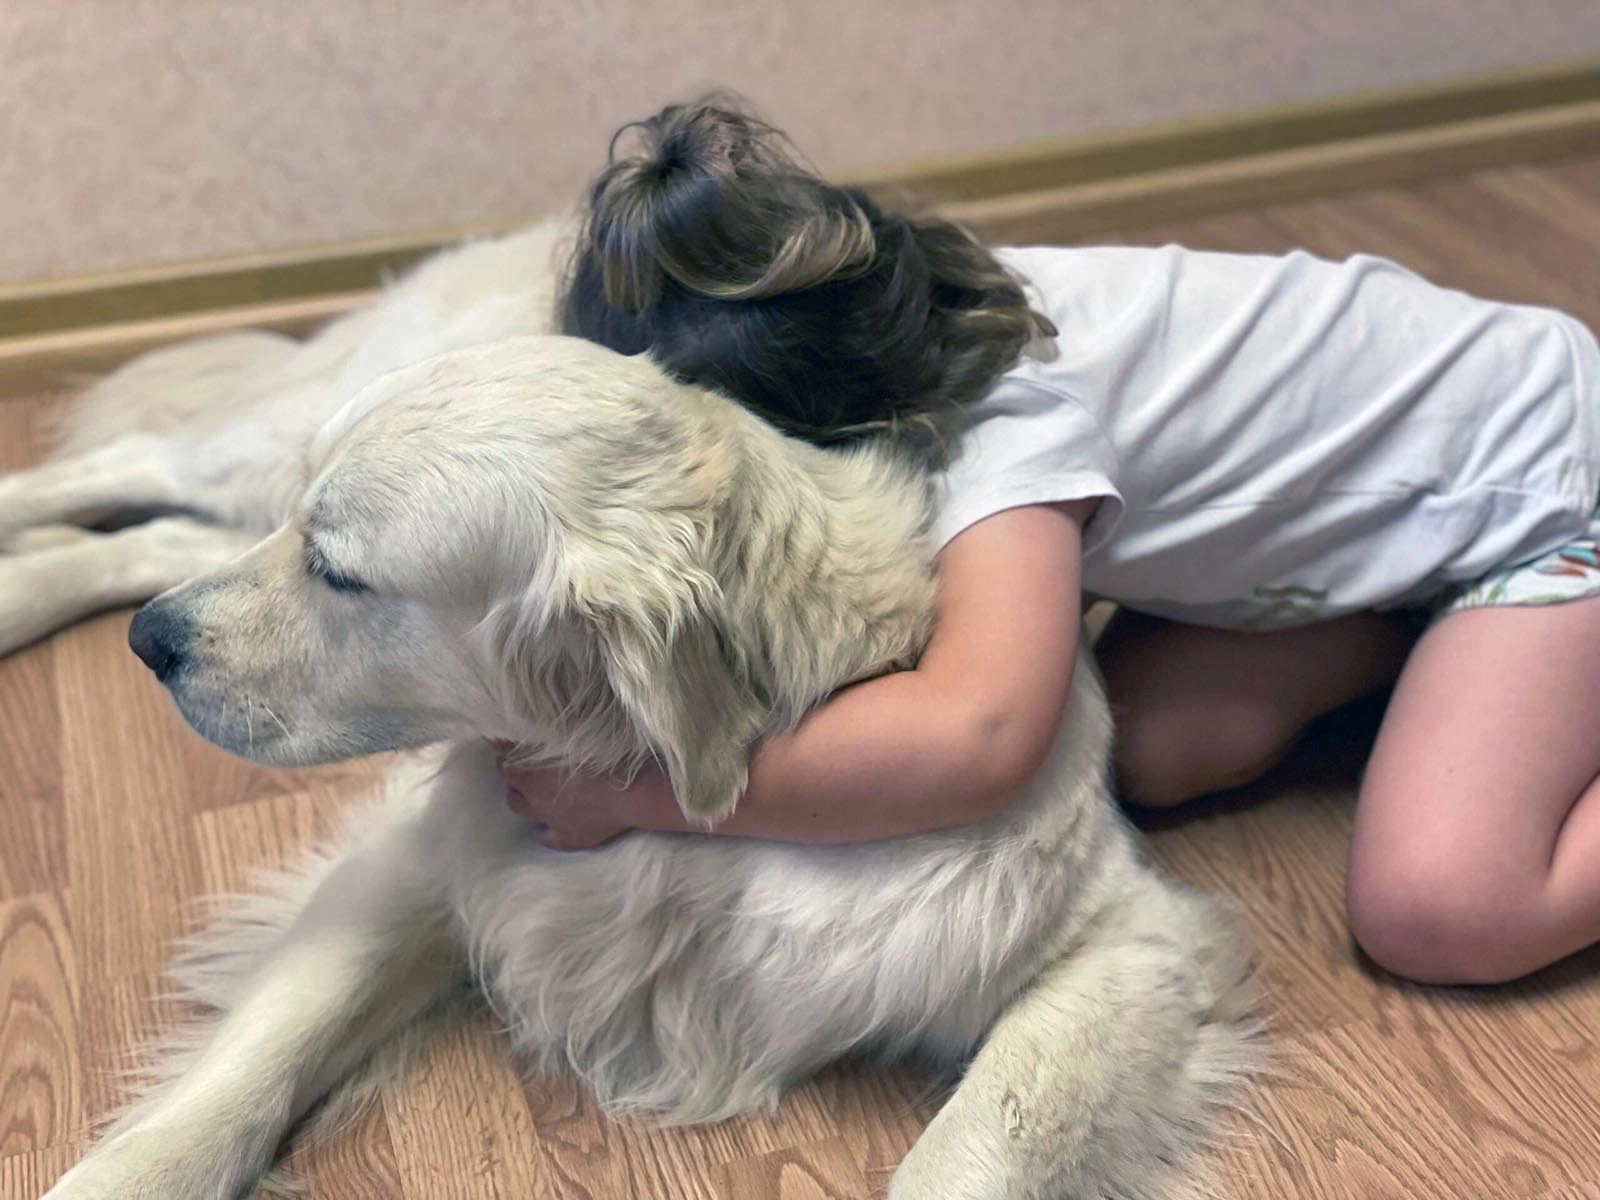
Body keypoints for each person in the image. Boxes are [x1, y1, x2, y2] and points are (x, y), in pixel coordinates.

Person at [503, 100, 1600, 987]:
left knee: (1442, 907)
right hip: (1427, 502)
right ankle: (1428, 642)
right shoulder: (915, 303)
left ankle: (1490, 652)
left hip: (1560, 501)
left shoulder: (1003, 438)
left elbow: (973, 740)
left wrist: (640, 794)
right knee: (1156, 749)